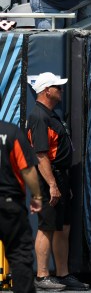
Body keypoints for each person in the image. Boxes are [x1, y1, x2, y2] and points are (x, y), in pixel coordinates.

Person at [26, 72, 89, 291]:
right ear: (47, 91)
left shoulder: (50, 114)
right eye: (57, 87)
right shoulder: (39, 117)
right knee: (47, 227)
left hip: (60, 176)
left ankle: (62, 274)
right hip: (48, 178)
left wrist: (62, 183)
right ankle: (42, 276)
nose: (61, 90)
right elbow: (41, 155)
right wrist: (52, 184)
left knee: (63, 227)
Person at [0, 121, 43, 293]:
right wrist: (37, 196)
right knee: (19, 255)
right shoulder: (11, 132)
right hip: (9, 204)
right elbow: (27, 169)